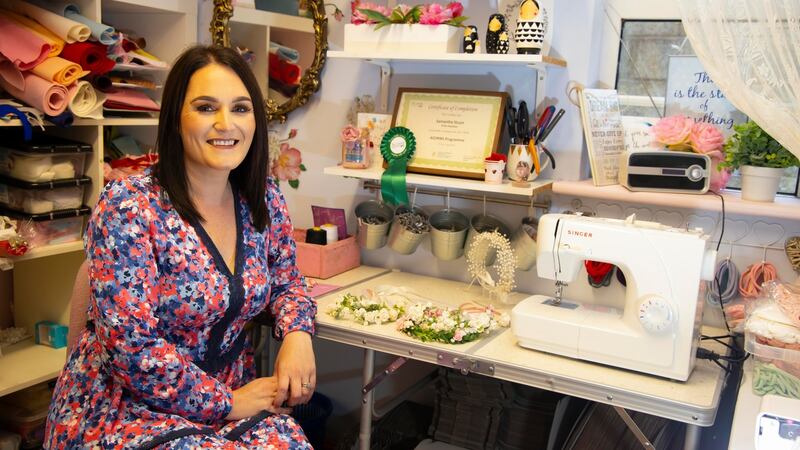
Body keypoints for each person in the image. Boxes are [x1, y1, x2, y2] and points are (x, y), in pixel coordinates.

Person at [44, 45, 317, 449]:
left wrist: (297, 333)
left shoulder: (262, 198)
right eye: (206, 108)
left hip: (231, 397)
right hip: (128, 408)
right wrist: (226, 402)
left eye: (240, 109)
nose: (226, 124)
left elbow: (287, 281)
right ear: (174, 119)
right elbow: (130, 347)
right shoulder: (129, 205)